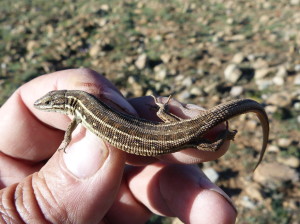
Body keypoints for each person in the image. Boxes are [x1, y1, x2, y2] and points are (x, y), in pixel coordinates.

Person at [0, 68, 236, 223]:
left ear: (64, 102)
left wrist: (65, 143)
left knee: (198, 142)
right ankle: (219, 135)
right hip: (158, 135)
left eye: (50, 103)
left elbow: (72, 129)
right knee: (188, 136)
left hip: (157, 141)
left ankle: (222, 137)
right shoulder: (84, 101)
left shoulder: (80, 108)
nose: (46, 105)